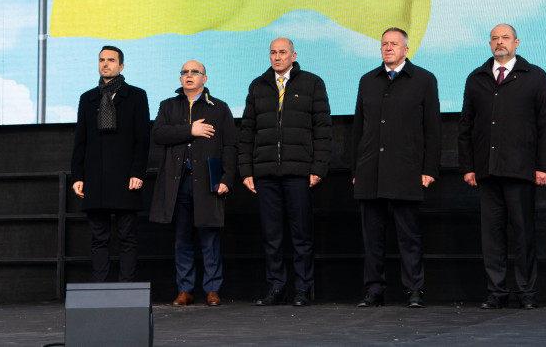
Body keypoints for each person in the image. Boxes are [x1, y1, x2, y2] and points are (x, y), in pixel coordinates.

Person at [458, 24, 546, 310]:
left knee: (523, 233)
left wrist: (544, 166)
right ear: (489, 44)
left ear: (517, 42)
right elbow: (466, 126)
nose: (499, 42)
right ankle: (496, 292)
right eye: (494, 38)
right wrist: (468, 166)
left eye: (505, 38)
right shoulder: (476, 78)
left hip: (522, 170)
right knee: (491, 236)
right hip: (486, 170)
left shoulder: (535, 76)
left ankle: (527, 293)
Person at [351, 27, 441, 308]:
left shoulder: (424, 79)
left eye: (394, 44)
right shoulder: (368, 80)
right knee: (372, 237)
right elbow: (358, 129)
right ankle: (374, 290)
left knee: (409, 236)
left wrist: (429, 169)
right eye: (384, 44)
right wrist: (356, 169)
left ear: (406, 49)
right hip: (370, 170)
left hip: (406, 170)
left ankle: (414, 289)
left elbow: (433, 130)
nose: (388, 48)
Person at [238, 37, 331, 307]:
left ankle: (302, 289)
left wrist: (319, 167)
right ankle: (276, 287)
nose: (277, 57)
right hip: (265, 173)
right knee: (272, 236)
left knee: (302, 235)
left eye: (282, 52)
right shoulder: (258, 85)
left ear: (293, 55)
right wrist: (246, 170)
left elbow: (323, 130)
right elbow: (247, 131)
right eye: (273, 53)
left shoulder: (312, 83)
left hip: (299, 172)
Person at [149, 60, 237, 307]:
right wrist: (191, 130)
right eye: (184, 72)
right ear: (180, 80)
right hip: (177, 183)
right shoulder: (168, 106)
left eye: (194, 72)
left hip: (207, 181)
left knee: (209, 237)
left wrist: (227, 179)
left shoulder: (218, 108)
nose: (189, 76)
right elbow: (158, 134)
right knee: (182, 238)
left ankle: (212, 289)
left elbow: (230, 146)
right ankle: (185, 290)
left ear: (204, 79)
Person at [71, 46, 150, 282]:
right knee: (99, 237)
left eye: (111, 60)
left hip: (126, 177)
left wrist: (138, 172)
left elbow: (142, 139)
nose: (105, 64)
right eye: (102, 60)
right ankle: (100, 287)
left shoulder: (136, 96)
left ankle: (126, 287)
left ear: (121, 66)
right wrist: (78, 176)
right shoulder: (88, 98)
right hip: (95, 177)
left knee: (127, 236)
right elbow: (80, 140)